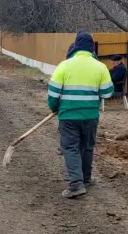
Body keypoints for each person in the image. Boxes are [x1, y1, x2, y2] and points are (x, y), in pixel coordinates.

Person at [48, 31, 114, 199]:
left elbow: (53, 94)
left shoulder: (64, 66)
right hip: (90, 117)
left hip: (68, 116)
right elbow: (107, 93)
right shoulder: (100, 67)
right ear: (92, 48)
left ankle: (76, 184)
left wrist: (54, 107)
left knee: (70, 148)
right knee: (87, 147)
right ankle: (85, 178)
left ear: (76, 46)